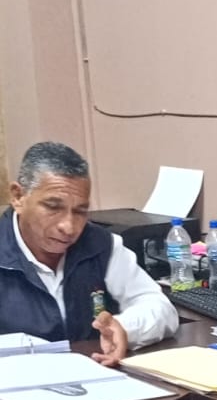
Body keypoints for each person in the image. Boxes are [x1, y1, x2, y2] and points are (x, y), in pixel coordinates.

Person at [1, 140, 177, 365]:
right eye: (53, 207)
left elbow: (160, 308)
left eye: (80, 211)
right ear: (18, 197)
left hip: (96, 373)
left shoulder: (100, 244)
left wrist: (124, 327)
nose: (68, 227)